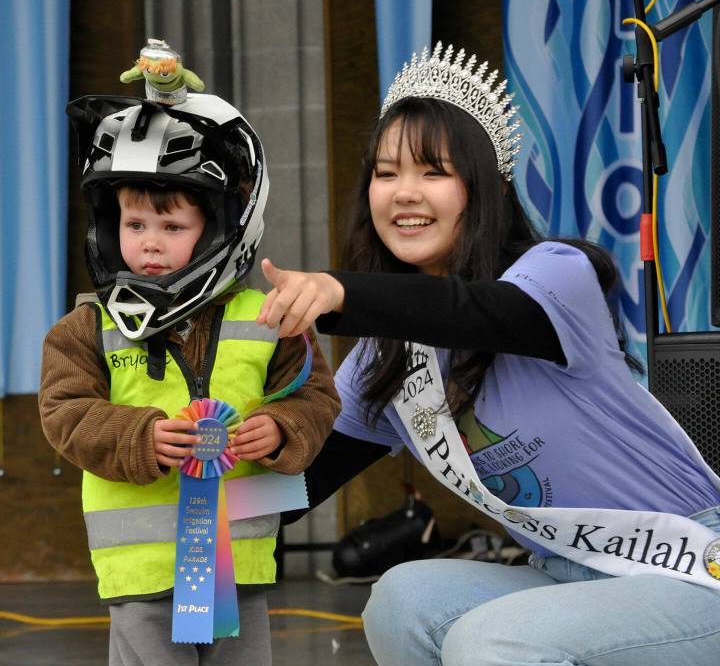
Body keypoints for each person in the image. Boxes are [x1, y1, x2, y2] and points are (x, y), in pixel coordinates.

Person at [257, 43, 720, 665]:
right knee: (402, 597)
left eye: (434, 172)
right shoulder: (383, 356)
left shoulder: (556, 277)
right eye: (386, 172)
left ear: (489, 187)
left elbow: (472, 313)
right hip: (565, 571)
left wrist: (339, 292)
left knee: (491, 640)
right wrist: (186, 487)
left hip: (694, 569)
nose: (404, 194)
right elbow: (303, 482)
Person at [40, 92, 340, 665]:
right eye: (133, 223)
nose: (150, 241)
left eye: (172, 225)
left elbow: (316, 398)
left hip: (238, 566)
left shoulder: (269, 317)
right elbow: (64, 412)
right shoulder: (85, 329)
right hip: (140, 571)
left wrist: (280, 428)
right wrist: (139, 437)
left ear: (216, 230)